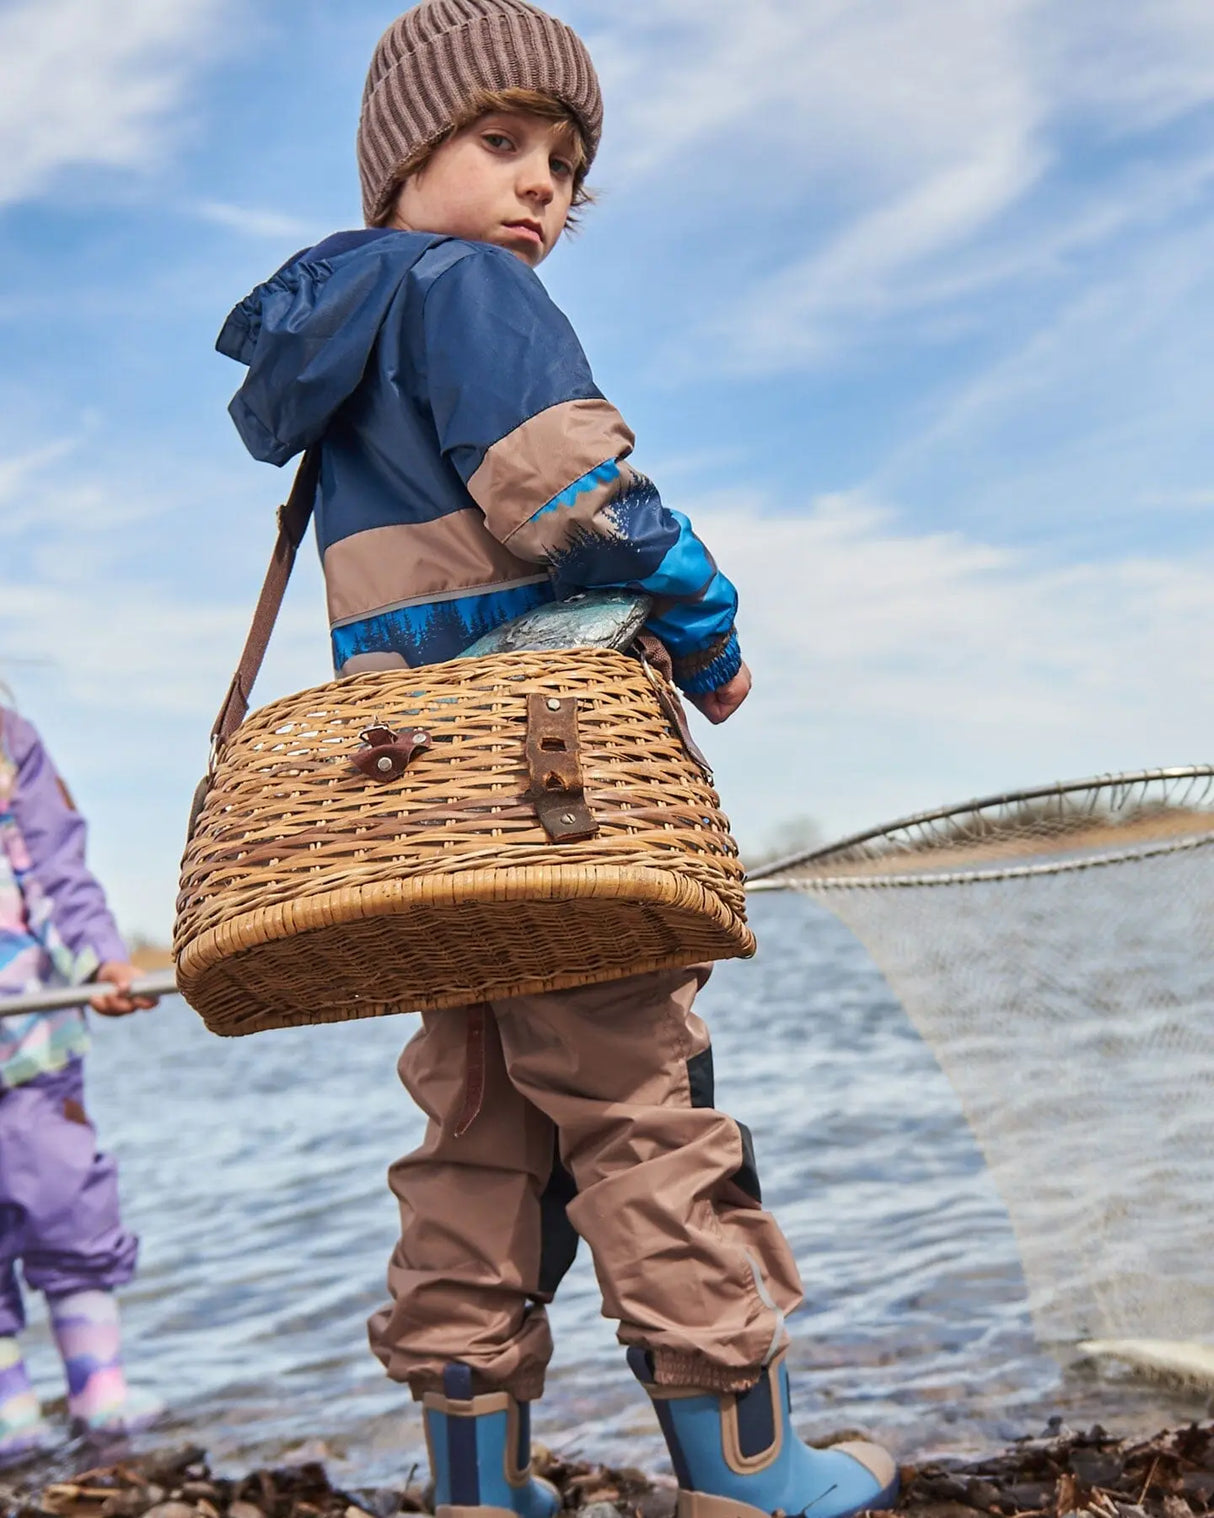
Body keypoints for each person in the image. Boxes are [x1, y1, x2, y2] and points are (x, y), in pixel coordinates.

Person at [218, 4, 898, 1515]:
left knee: (474, 1137)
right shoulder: (467, 287)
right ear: (405, 161)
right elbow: (571, 496)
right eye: (502, 141)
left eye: (565, 164)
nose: (543, 186)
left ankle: (477, 1484)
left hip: (425, 821)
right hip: (551, 791)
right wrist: (710, 628)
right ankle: (744, 1462)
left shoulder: (338, 351)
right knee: (648, 1106)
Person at [0, 704, 162, 1463]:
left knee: (69, 1204)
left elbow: (59, 870)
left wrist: (101, 958)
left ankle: (103, 1403)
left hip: (30, 1046)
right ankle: (12, 1427)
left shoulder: (9, 739)